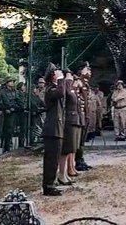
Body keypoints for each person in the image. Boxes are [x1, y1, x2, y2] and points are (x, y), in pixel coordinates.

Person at [42, 63, 66, 196]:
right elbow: (61, 93)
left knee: (54, 158)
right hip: (52, 129)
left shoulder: (54, 87)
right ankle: (48, 185)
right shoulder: (50, 89)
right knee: (51, 159)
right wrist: (61, 80)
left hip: (56, 128)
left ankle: (51, 182)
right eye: (56, 71)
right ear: (52, 75)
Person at [59, 72, 81, 185]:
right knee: (67, 148)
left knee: (71, 148)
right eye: (69, 76)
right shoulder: (64, 86)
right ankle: (62, 174)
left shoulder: (72, 88)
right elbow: (66, 95)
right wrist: (67, 81)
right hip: (68, 119)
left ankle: (66, 171)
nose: (71, 78)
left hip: (74, 119)